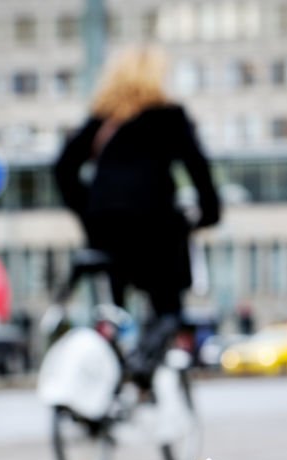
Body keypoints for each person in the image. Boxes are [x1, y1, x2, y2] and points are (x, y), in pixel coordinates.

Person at [54, 46, 220, 385]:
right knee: (168, 307)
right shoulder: (169, 116)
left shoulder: (102, 119)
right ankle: (143, 365)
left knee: (114, 309)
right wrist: (208, 214)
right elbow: (198, 169)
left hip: (106, 228)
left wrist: (88, 212)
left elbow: (62, 169)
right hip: (155, 227)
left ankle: (108, 379)